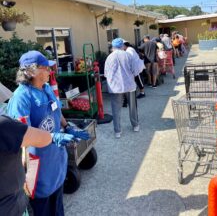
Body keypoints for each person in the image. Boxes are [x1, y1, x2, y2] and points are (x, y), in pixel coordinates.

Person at [7, 50, 89, 216]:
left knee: (58, 204)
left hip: (55, 159)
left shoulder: (45, 88)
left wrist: (68, 127)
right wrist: (53, 137)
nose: (50, 71)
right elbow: (22, 136)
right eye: (46, 68)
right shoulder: (21, 97)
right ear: (32, 71)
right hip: (37, 165)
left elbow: (56, 110)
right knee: (43, 208)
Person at [0, 114, 77, 216]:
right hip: (14, 205)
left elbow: (57, 112)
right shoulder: (6, 123)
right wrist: (52, 136)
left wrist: (66, 126)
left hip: (56, 172)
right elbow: (38, 138)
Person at [104, 38, 140, 138]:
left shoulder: (109, 57)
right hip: (129, 85)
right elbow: (135, 70)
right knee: (132, 106)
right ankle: (135, 125)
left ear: (113, 47)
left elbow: (106, 74)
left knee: (116, 109)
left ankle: (117, 131)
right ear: (122, 45)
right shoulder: (128, 55)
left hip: (115, 87)